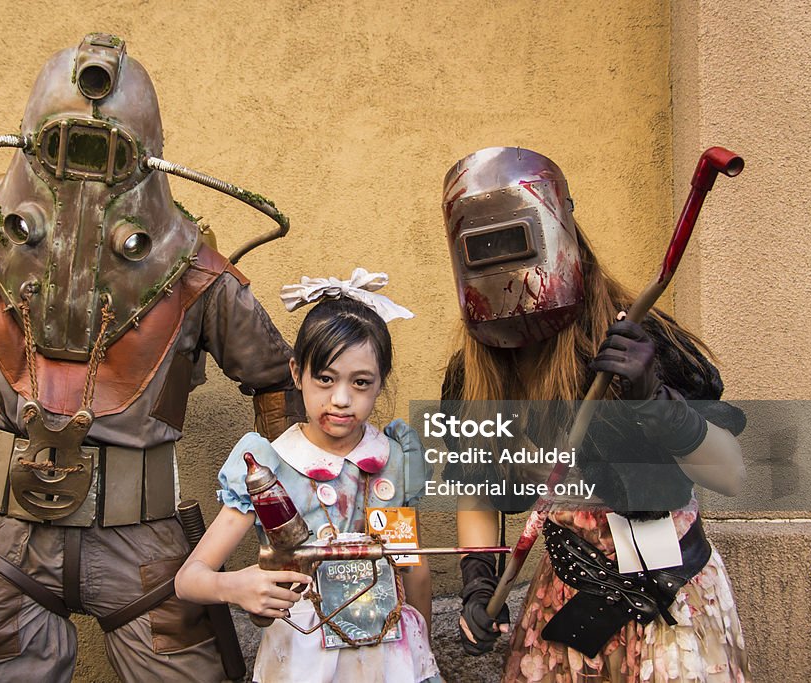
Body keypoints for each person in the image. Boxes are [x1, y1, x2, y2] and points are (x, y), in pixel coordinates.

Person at [0, 34, 301, 682]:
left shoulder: (194, 271)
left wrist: (293, 534)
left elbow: (276, 380)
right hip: (9, 545)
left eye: (107, 154)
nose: (84, 181)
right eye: (65, 147)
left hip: (147, 547)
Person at [441, 147, 751, 681]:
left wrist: (657, 402)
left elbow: (732, 474)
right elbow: (478, 484)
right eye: (483, 249)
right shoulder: (474, 376)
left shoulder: (640, 345)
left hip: (669, 609)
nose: (506, 273)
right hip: (566, 605)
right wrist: (478, 579)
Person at [175, 270, 441, 683]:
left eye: (361, 383)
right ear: (297, 373)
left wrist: (422, 654)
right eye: (326, 378)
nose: (340, 398)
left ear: (380, 383)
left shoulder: (389, 459)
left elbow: (411, 566)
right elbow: (190, 580)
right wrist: (238, 586)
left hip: (389, 659)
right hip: (298, 659)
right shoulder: (269, 465)